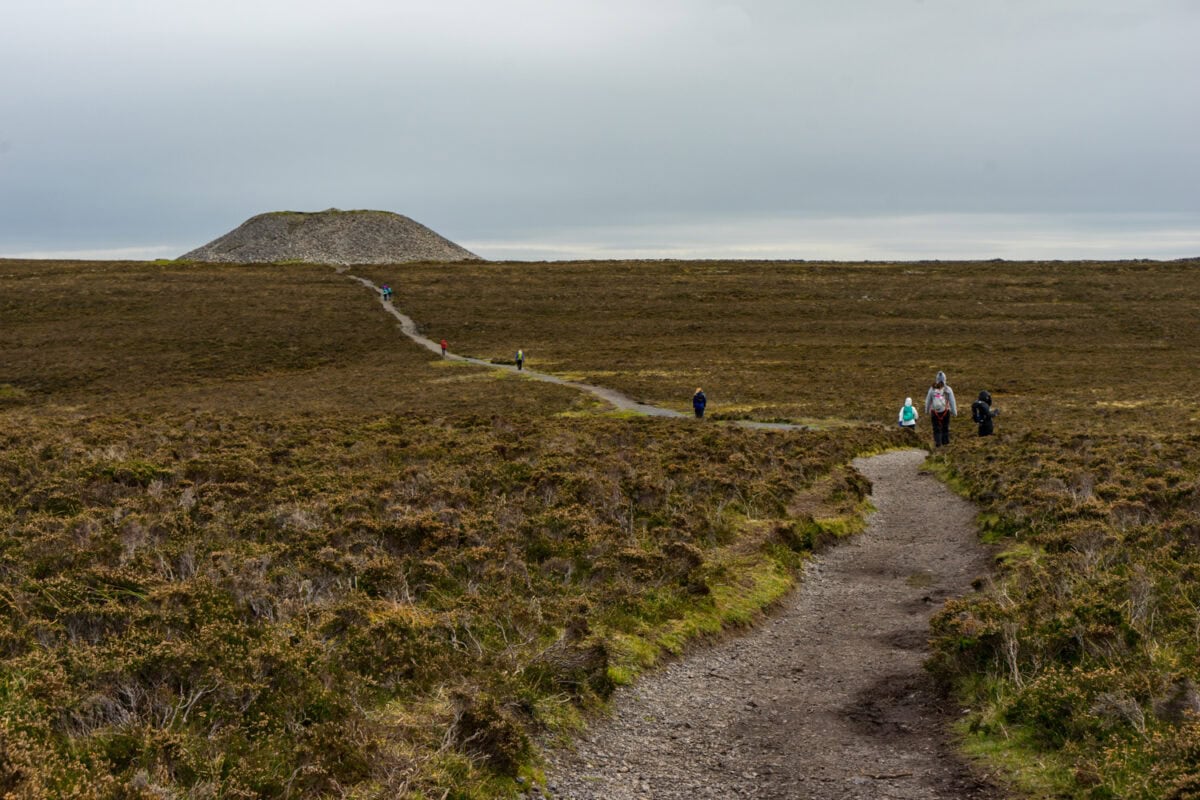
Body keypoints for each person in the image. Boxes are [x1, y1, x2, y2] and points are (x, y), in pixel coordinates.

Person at [924, 371, 957, 447]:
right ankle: (945, 444)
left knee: (936, 429)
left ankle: (938, 444)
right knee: (945, 427)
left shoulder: (932, 389)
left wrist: (927, 411)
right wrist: (954, 412)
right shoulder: (948, 389)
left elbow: (928, 401)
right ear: (945, 379)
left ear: (937, 379)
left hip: (934, 412)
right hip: (945, 412)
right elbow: (952, 401)